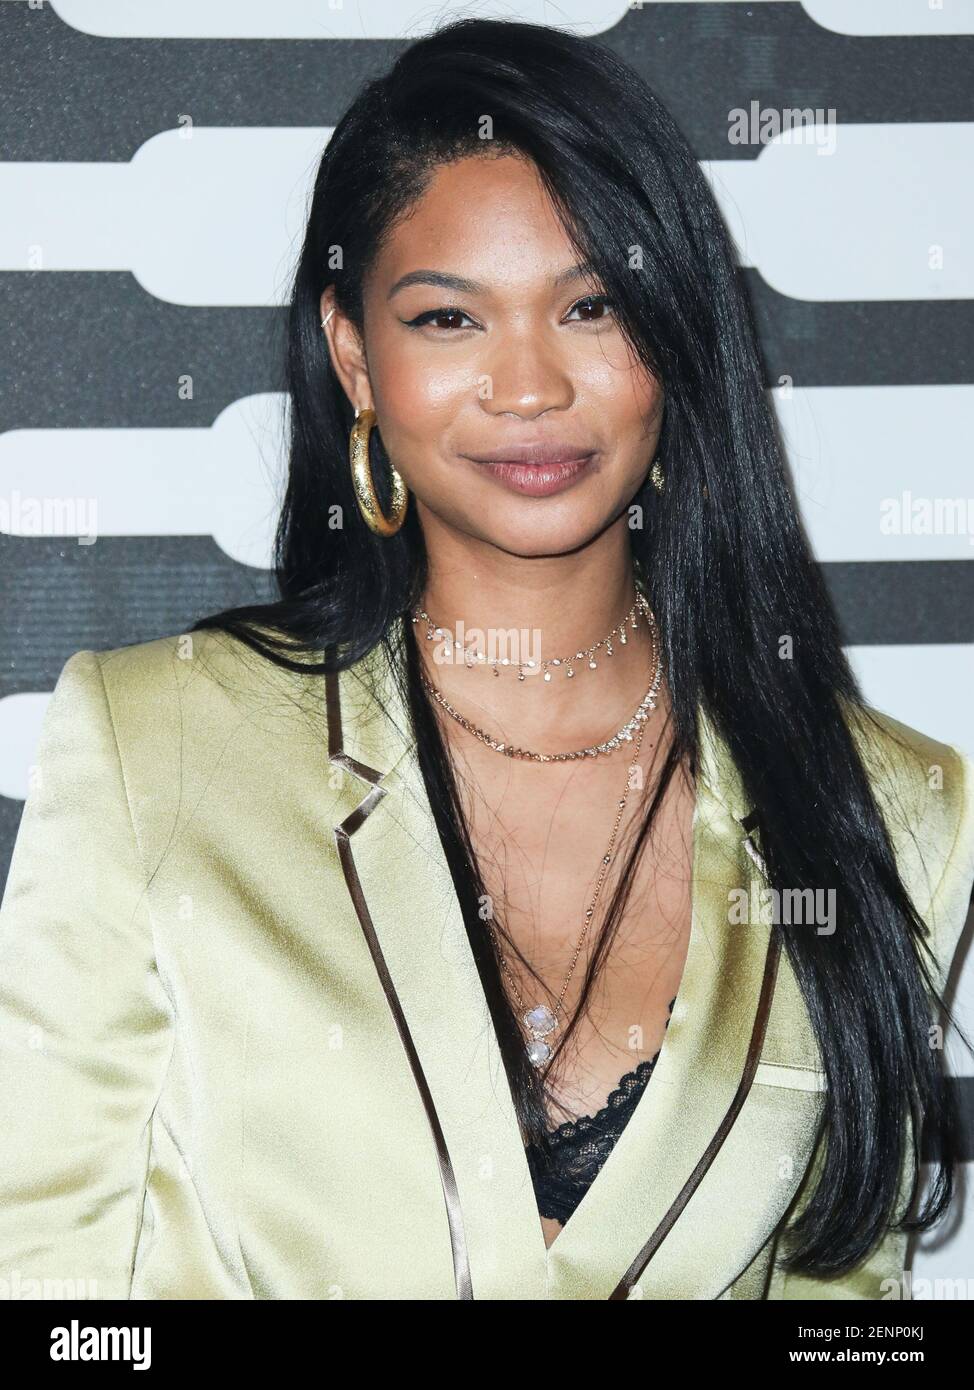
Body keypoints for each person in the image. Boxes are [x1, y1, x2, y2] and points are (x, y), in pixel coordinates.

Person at [1, 17, 972, 1302]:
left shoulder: (892, 805)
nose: (528, 385)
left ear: (671, 338)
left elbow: (846, 1311)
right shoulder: (156, 745)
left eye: (589, 306)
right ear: (356, 355)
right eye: (449, 317)